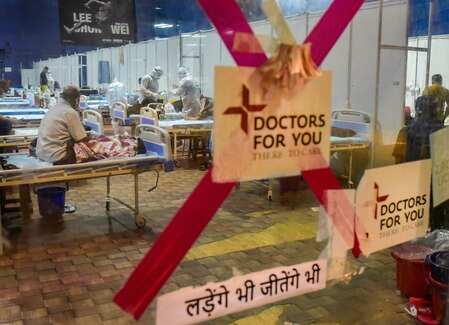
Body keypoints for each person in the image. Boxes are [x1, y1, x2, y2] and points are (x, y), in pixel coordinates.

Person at [36, 86, 88, 165]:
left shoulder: (54, 108)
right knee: (91, 152)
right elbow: (81, 139)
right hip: (57, 157)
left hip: (42, 154)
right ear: (77, 99)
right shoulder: (70, 112)